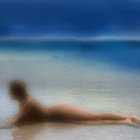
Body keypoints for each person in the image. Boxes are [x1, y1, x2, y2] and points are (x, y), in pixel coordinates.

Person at [0, 80, 140, 129]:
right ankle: (126, 119)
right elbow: (21, 119)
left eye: (10, 91)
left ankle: (128, 118)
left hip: (60, 113)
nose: (9, 93)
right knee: (94, 118)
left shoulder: (28, 103)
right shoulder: (24, 102)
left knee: (94, 118)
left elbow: (16, 123)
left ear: (16, 92)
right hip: (57, 114)